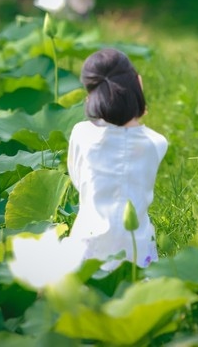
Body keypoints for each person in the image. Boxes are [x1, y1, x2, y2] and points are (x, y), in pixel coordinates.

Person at [66, 48, 168, 268]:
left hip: (87, 250)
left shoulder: (81, 134)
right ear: (137, 84)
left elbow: (78, 179)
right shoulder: (156, 143)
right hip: (137, 255)